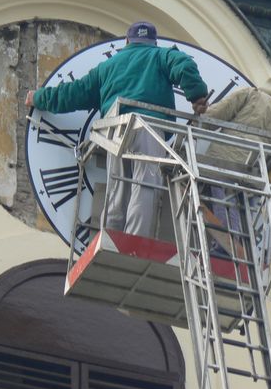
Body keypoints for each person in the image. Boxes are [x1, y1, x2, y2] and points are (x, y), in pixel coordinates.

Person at [26, 21, 209, 238]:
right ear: (153, 42)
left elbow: (72, 93)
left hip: (115, 129)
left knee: (117, 186)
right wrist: (197, 96)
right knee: (145, 182)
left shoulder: (107, 67)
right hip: (148, 127)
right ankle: (134, 239)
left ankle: (111, 237)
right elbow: (184, 64)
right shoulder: (160, 55)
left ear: (127, 41)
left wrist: (38, 98)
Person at [202, 86, 271, 248]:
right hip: (251, 176)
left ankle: (225, 245)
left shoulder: (252, 94)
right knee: (237, 207)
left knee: (219, 200)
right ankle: (236, 246)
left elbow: (216, 114)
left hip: (221, 160)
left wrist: (197, 124)